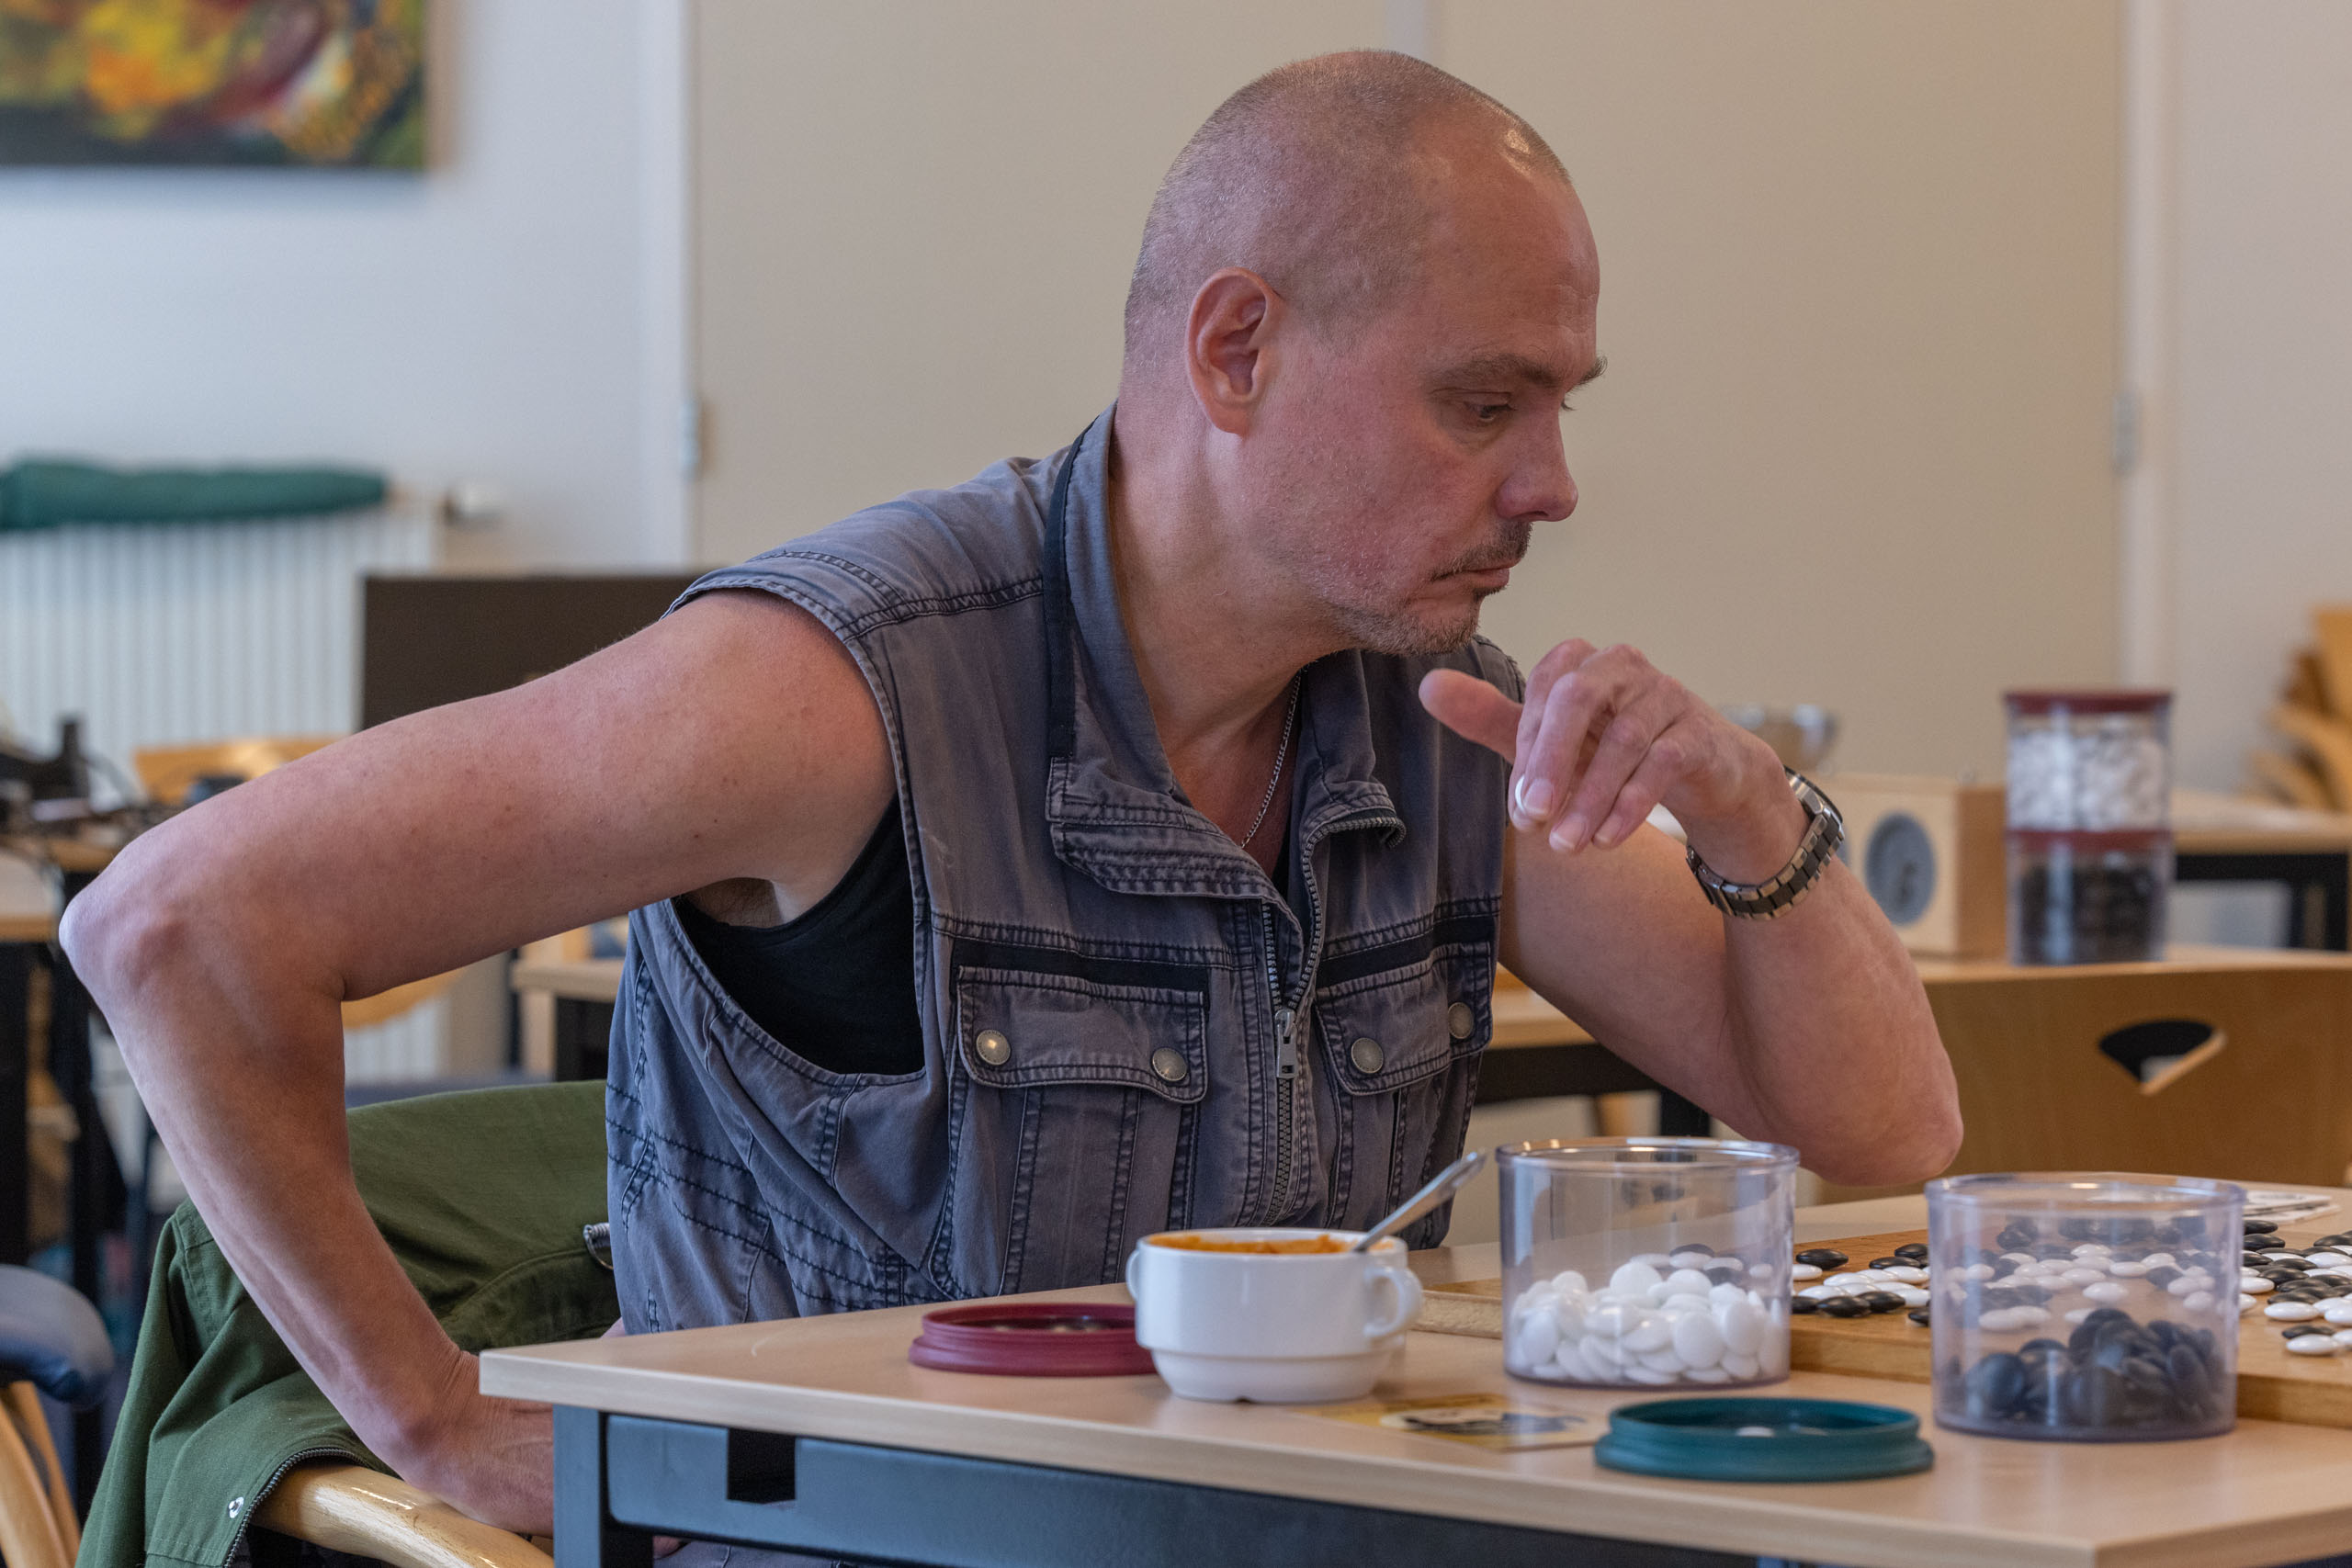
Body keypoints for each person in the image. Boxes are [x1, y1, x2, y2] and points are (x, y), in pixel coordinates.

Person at [63, 51, 1957, 1531]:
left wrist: (1743, 807)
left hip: (1285, 1533)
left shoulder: (1435, 717)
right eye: (1482, 403)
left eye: (1561, 403)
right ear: (1236, 351)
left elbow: (1880, 1126)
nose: (1551, 483)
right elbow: (174, 923)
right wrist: (438, 1423)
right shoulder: (832, 693)